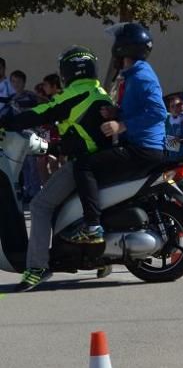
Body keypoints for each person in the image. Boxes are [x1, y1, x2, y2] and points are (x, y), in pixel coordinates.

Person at [0, 46, 114, 291]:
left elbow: (43, 112)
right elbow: (79, 128)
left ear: (70, 70)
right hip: (100, 159)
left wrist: (7, 121)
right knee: (62, 205)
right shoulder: (99, 92)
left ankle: (37, 267)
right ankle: (97, 257)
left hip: (84, 162)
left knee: (40, 205)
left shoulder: (76, 93)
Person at [72, 24, 168, 243]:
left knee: (83, 165)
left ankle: (93, 227)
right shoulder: (135, 74)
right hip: (143, 146)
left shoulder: (142, 76)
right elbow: (140, 107)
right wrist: (117, 112)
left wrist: (121, 126)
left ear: (123, 49)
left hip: (143, 148)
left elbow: (158, 112)